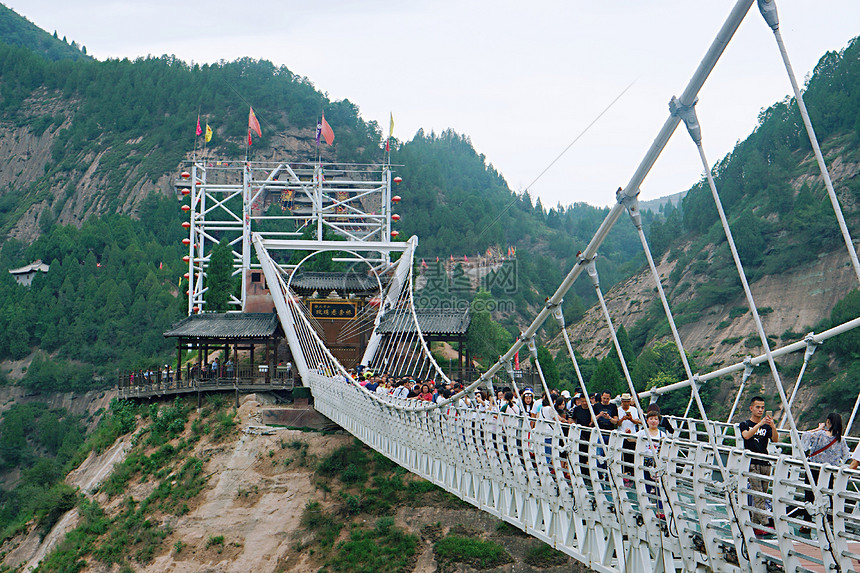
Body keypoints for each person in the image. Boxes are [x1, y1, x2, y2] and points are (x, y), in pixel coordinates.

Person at [797, 413, 850, 530]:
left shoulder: (819, 435)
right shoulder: (840, 439)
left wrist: (819, 428)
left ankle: (807, 523)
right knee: (828, 495)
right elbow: (846, 456)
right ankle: (829, 522)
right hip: (828, 472)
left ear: (828, 422)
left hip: (814, 469)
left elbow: (805, 437)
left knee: (809, 496)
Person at [738, 396, 778, 532]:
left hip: (765, 463)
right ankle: (765, 522)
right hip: (752, 463)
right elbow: (747, 436)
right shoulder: (744, 424)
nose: (760, 410)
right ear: (751, 408)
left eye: (762, 407)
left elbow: (775, 439)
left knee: (763, 494)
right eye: (757, 407)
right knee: (758, 494)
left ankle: (755, 524)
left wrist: (772, 426)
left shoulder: (767, 427)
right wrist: (760, 424)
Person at [638, 408, 667, 517]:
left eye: (655, 419)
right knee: (646, 485)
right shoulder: (642, 432)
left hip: (657, 462)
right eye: (651, 419)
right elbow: (631, 439)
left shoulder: (662, 434)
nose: (653, 421)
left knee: (659, 486)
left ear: (659, 421)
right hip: (645, 461)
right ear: (647, 421)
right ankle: (646, 508)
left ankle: (660, 510)